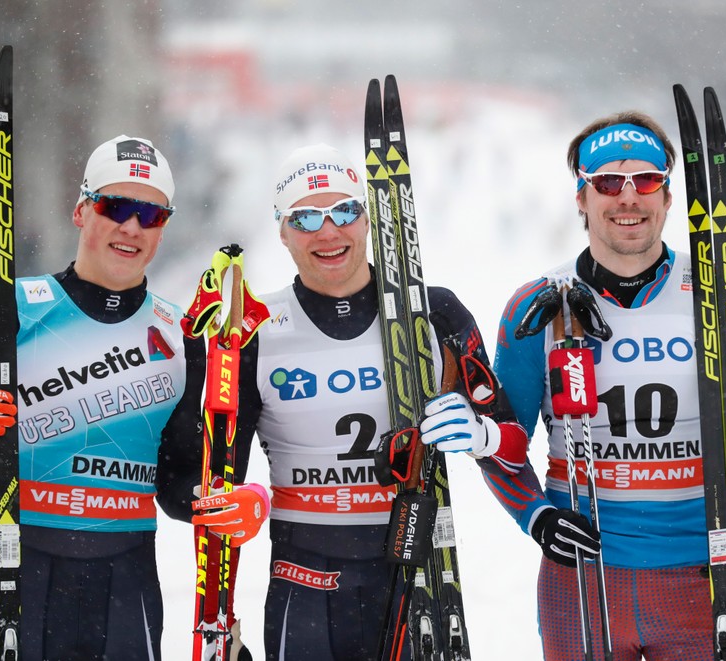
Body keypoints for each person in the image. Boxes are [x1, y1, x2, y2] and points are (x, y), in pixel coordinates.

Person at [0, 135, 221, 660]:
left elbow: (176, 484)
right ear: (80, 210)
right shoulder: (10, 310)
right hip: (17, 574)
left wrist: (224, 501)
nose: (131, 227)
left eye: (151, 214)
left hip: (129, 586)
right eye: (114, 206)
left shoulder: (182, 336)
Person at [490, 112, 726, 660]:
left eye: (646, 181)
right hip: (580, 585)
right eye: (607, 182)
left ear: (668, 196)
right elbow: (501, 445)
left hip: (705, 576)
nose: (628, 198)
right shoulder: (538, 306)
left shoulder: (725, 295)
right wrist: (536, 516)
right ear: (581, 197)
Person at [214, 143, 528, 660]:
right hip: (304, 582)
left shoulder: (435, 312)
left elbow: (514, 447)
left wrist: (482, 435)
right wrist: (245, 498)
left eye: (345, 211)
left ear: (369, 219)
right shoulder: (256, 327)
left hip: (418, 574)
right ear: (282, 230)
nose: (328, 231)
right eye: (306, 216)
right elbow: (210, 472)